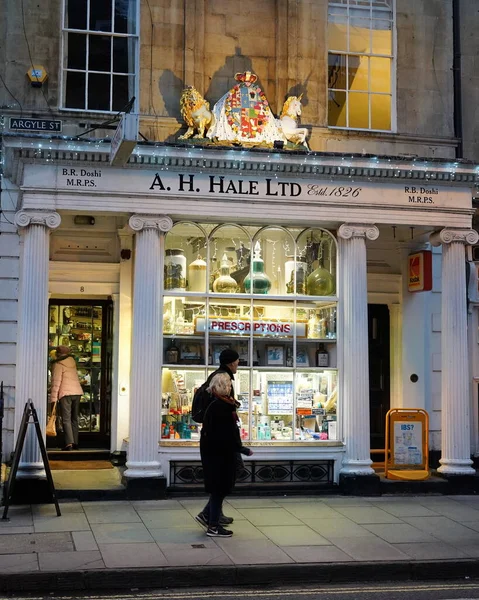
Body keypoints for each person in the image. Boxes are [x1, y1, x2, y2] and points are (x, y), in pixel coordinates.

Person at [196, 372, 252, 537]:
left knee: (218, 490)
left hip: (216, 453)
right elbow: (226, 433)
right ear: (223, 387)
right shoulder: (221, 407)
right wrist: (242, 449)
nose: (230, 387)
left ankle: (210, 519)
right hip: (219, 455)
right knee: (218, 490)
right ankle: (213, 526)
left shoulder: (217, 405)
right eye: (228, 385)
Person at [195, 348, 241, 528]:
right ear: (231, 362)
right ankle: (209, 515)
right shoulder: (223, 379)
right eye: (237, 361)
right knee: (228, 475)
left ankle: (214, 513)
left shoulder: (217, 375)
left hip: (217, 442)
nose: (238, 364)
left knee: (223, 479)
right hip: (221, 444)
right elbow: (222, 417)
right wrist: (238, 445)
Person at [49, 345, 83, 451]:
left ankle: (69, 443)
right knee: (74, 419)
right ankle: (76, 442)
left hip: (65, 393)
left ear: (58, 354)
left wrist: (53, 399)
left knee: (66, 419)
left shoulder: (58, 364)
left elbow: (56, 383)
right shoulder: (72, 362)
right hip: (77, 392)